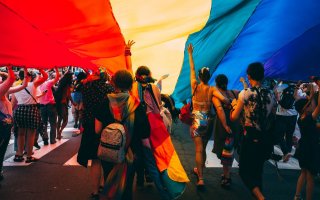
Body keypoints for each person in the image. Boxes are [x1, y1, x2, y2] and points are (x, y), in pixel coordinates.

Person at [95, 70, 150, 200]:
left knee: (109, 179)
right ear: (131, 85)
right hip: (130, 153)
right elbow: (144, 134)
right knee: (127, 185)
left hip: (109, 151)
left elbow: (97, 130)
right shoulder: (136, 105)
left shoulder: (106, 101)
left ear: (114, 84)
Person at [230, 62, 276, 200]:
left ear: (249, 76)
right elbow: (272, 115)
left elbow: (234, 117)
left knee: (244, 171)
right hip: (264, 138)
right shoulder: (271, 94)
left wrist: (233, 106)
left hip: (250, 137)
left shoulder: (245, 94)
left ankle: (261, 197)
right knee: (257, 172)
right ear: (262, 76)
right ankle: (259, 195)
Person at [187, 44, 229, 188]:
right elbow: (224, 99)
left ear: (199, 77)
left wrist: (190, 54)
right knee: (202, 148)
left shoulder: (195, 86)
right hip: (208, 120)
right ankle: (199, 170)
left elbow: (192, 69)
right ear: (209, 77)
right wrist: (230, 102)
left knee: (198, 149)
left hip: (197, 119)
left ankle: (201, 178)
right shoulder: (212, 89)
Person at [12, 69, 48, 163]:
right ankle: (29, 156)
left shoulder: (16, 88)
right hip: (31, 109)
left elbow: (13, 103)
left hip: (19, 110)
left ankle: (19, 155)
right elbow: (46, 77)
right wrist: (40, 68)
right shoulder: (32, 85)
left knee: (20, 134)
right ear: (29, 77)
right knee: (30, 135)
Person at [212, 74, 241, 188]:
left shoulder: (217, 96)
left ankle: (227, 177)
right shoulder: (235, 93)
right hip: (235, 125)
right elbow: (245, 94)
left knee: (225, 153)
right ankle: (226, 173)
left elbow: (219, 110)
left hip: (224, 127)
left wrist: (224, 125)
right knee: (229, 150)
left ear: (216, 83)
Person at [0, 67, 29, 180]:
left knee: (2, 149)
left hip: (5, 125)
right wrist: (10, 66)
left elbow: (23, 86)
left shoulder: (4, 91)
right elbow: (12, 78)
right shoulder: (1, 90)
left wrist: (26, 72)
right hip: (2, 126)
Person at [293, 84, 320, 200]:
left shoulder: (301, 118)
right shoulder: (309, 118)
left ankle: (297, 196)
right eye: (309, 104)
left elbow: (310, 101)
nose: (311, 104)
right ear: (305, 108)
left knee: (303, 173)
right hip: (310, 149)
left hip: (303, 147)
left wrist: (312, 91)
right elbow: (319, 106)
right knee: (310, 177)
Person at [273, 81, 298, 162]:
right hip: (293, 115)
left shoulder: (280, 87)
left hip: (281, 115)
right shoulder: (297, 89)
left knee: (279, 135)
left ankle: (286, 152)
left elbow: (274, 91)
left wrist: (278, 82)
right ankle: (288, 153)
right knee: (289, 135)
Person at [38, 68, 60, 145]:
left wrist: (43, 71)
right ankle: (52, 140)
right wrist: (56, 69)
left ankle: (45, 139)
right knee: (53, 123)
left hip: (42, 107)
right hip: (51, 106)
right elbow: (57, 78)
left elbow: (41, 76)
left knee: (44, 124)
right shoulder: (48, 83)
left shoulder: (37, 85)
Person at [55, 71, 74, 140]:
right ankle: (60, 132)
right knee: (65, 120)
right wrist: (73, 102)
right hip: (63, 103)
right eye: (71, 76)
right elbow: (68, 95)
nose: (72, 77)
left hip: (58, 103)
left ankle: (58, 134)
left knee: (59, 119)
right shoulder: (67, 85)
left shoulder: (61, 83)